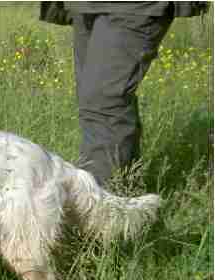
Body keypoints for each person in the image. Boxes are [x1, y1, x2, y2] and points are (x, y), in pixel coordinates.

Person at [40, 2, 209, 185]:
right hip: (86, 6)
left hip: (134, 6)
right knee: (92, 102)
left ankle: (99, 196)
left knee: (103, 102)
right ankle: (126, 188)